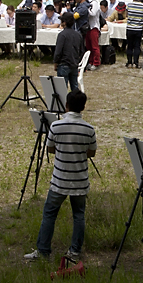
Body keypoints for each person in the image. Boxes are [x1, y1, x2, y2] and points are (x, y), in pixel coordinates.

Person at [24, 90, 97, 261]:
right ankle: (75, 251)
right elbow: (92, 153)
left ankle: (43, 251)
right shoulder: (89, 129)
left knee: (49, 214)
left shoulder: (56, 126)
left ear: (66, 105)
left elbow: (50, 148)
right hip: (80, 180)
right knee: (79, 215)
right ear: (83, 107)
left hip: (59, 181)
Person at [53, 18, 85, 92]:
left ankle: (63, 103)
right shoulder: (78, 34)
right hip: (74, 64)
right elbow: (81, 50)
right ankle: (76, 102)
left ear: (64, 23)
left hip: (64, 64)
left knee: (62, 89)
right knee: (75, 87)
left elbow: (58, 51)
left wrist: (55, 62)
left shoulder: (62, 35)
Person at [125, 0, 143, 68]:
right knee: (137, 46)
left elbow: (126, 14)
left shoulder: (129, 5)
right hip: (138, 29)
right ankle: (136, 62)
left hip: (130, 28)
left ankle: (129, 62)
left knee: (130, 45)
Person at [82, 0, 101, 70]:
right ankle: (90, 61)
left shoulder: (94, 3)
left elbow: (93, 13)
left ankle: (96, 62)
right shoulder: (84, 3)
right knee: (88, 46)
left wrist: (85, 10)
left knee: (94, 46)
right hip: (87, 27)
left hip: (94, 27)